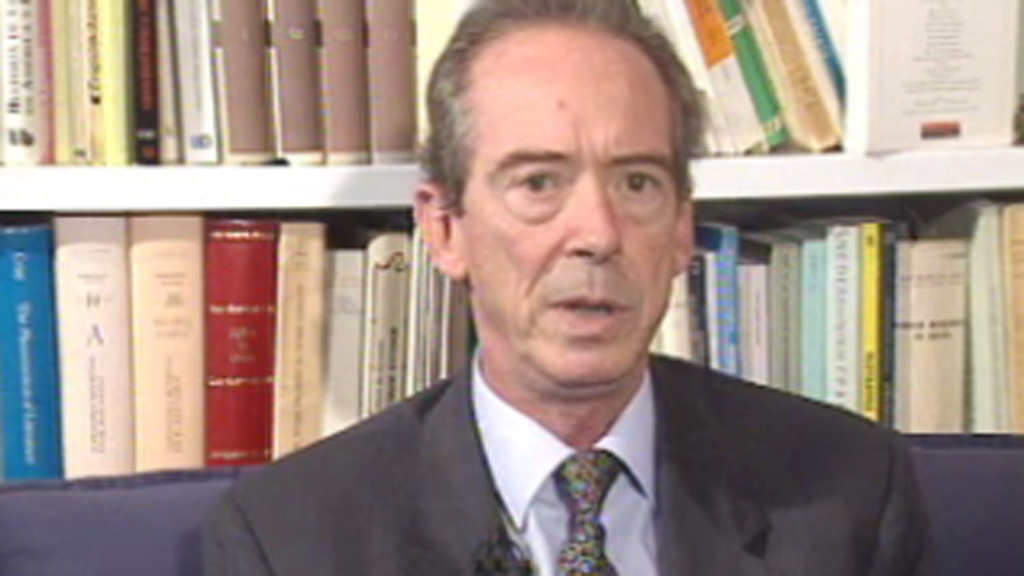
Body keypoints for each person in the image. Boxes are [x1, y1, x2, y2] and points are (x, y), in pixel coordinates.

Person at [203, 0, 930, 574]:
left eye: (637, 183)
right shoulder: (291, 540)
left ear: (682, 227)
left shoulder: (851, 493)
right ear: (445, 228)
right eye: (539, 183)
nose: (598, 233)